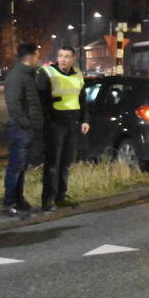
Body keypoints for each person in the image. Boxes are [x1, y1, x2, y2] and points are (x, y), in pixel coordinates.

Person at [36, 45, 90, 211]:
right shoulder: (47, 73)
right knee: (53, 163)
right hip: (55, 124)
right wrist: (47, 121)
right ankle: (48, 200)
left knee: (66, 162)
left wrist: (84, 120)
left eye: (67, 56)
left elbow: (82, 99)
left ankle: (61, 196)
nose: (63, 59)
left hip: (71, 123)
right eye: (61, 56)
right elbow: (42, 101)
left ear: (73, 58)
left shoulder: (78, 75)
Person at [1, 43, 43, 217]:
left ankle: (19, 200)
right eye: (37, 55)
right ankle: (9, 203)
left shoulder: (27, 75)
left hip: (25, 129)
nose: (38, 58)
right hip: (19, 129)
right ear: (32, 56)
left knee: (21, 166)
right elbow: (14, 105)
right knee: (15, 167)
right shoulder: (17, 76)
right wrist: (27, 123)